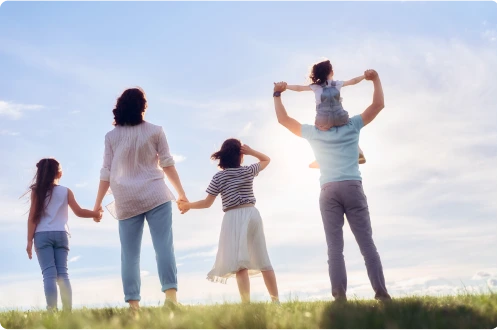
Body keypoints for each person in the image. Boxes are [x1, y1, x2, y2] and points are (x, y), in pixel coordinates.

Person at [272, 70, 391, 301]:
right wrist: (375, 79)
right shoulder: (353, 125)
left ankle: (340, 298)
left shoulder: (314, 133)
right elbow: (378, 105)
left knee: (334, 248)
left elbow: (283, 120)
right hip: (352, 187)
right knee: (367, 244)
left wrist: (278, 93)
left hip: (328, 190)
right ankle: (382, 295)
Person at [92, 88, 188, 310]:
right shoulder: (155, 131)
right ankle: (171, 298)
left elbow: (105, 172)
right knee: (164, 247)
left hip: (126, 199)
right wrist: (181, 193)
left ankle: (133, 306)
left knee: (130, 255)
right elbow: (167, 163)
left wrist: (97, 206)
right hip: (156, 195)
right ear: (143, 106)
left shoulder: (111, 137)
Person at [177, 139, 279, 304]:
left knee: (240, 264)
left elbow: (207, 203)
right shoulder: (247, 171)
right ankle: (276, 302)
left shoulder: (219, 177)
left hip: (233, 217)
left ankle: (246, 305)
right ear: (240, 155)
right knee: (263, 259)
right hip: (252, 213)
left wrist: (188, 206)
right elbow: (266, 160)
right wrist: (251, 151)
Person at [25, 158, 103, 311]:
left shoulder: (36, 191)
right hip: (61, 235)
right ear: (59, 173)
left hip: (42, 235)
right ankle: (67, 312)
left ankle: (52, 311)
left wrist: (29, 241)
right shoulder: (65, 191)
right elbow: (79, 212)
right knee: (63, 274)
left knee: (49, 274)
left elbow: (32, 217)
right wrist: (95, 213)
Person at [286, 59, 367, 168]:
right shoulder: (337, 84)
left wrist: (285, 87)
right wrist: (364, 76)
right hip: (341, 117)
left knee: (318, 136)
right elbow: (353, 81)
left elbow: (298, 88)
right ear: (331, 72)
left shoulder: (316, 86)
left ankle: (320, 159)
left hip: (323, 121)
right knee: (350, 129)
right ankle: (358, 152)